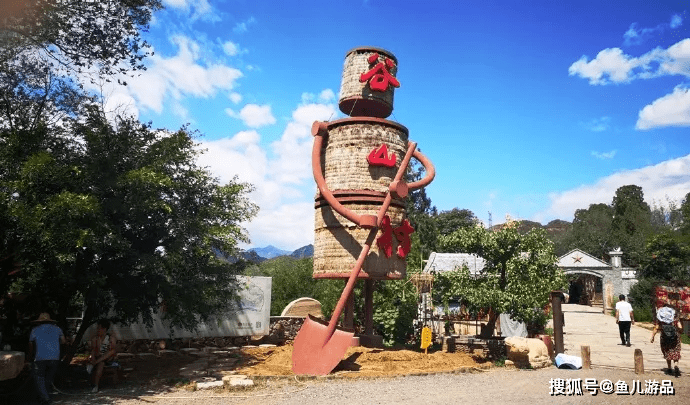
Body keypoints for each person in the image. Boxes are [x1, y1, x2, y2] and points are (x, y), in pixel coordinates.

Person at [29, 312, 66, 405]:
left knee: (39, 377)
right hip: (54, 357)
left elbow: (30, 344)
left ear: (39, 321)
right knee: (48, 378)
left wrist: (30, 356)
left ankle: (45, 398)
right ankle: (45, 396)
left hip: (40, 357)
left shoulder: (35, 330)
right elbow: (63, 341)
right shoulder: (58, 329)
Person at [651, 306, 684, 377]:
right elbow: (680, 328)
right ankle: (676, 365)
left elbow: (656, 328)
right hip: (675, 338)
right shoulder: (675, 319)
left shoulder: (661, 320)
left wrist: (652, 337)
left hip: (664, 338)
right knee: (675, 351)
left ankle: (669, 368)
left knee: (667, 351)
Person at [88, 319, 118, 393]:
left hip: (109, 358)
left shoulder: (111, 338)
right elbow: (94, 351)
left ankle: (95, 384)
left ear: (104, 329)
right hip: (99, 358)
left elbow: (112, 351)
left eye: (99, 328)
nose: (97, 330)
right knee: (101, 364)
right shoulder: (95, 338)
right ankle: (95, 385)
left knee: (109, 353)